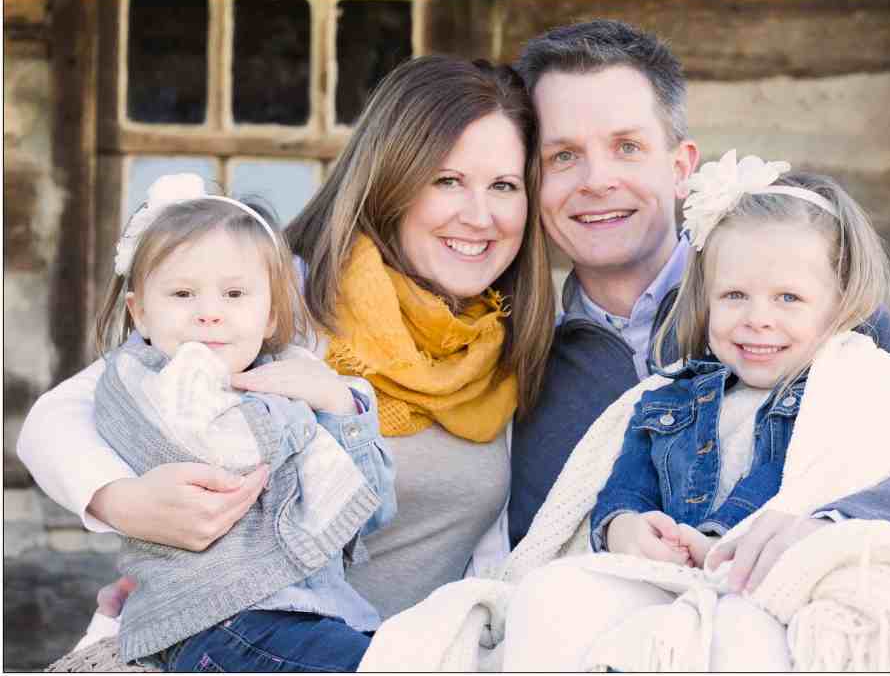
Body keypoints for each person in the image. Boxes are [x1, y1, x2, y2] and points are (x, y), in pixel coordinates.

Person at [17, 56, 555, 670]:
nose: (479, 215)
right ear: (392, 179)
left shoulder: (513, 340)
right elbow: (59, 414)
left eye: (504, 186)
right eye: (447, 180)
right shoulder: (281, 300)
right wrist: (119, 500)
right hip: (253, 642)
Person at [507, 20, 890, 591]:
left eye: (627, 146)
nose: (598, 180)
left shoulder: (813, 317)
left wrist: (827, 529)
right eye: (563, 156)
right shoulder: (521, 359)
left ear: (680, 168)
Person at [501, 154, 890, 670]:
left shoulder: (845, 391)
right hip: (665, 579)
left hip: (762, 585)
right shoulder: (670, 394)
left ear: (839, 307)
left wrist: (722, 539)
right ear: (707, 298)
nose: (758, 319)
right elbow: (624, 481)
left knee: (742, 636)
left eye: (789, 298)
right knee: (551, 594)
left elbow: (810, 481)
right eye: (735, 295)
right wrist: (623, 527)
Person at [88, 172, 396, 671]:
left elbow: (374, 510)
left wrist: (341, 406)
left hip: (317, 615)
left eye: (234, 295)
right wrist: (301, 416)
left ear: (270, 315)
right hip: (221, 620)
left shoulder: (292, 375)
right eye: (183, 294)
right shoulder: (144, 383)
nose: (209, 312)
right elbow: (234, 456)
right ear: (140, 314)